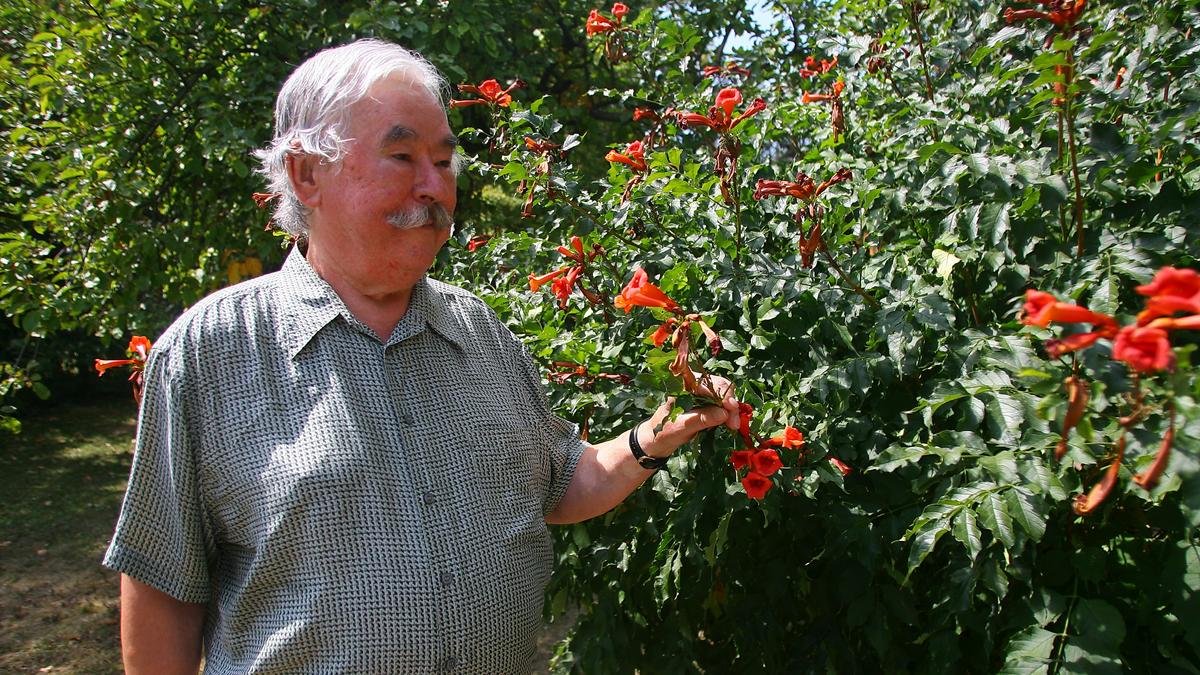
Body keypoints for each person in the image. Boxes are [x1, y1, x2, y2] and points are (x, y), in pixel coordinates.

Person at [103, 39, 740, 674]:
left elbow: (561, 484)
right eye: (403, 156)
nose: (435, 187)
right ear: (306, 174)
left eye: (443, 160)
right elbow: (162, 586)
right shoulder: (210, 351)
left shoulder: (479, 329)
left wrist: (658, 433)